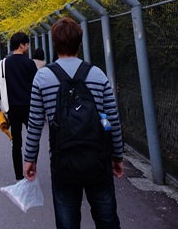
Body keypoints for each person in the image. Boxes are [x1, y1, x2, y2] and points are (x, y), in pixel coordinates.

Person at [24, 17, 124, 229]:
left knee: (67, 220)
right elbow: (109, 119)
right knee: (106, 217)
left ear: (53, 43)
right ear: (80, 43)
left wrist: (30, 158)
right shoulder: (97, 74)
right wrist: (116, 155)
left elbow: (35, 124)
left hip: (63, 160)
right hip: (98, 159)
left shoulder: (42, 78)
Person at [0, 32, 37, 180]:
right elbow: (36, 86)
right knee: (33, 139)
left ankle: (19, 175)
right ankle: (31, 169)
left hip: (12, 107)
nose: (28, 46)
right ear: (21, 45)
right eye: (27, 43)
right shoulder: (29, 63)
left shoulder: (4, 63)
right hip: (29, 106)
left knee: (16, 142)